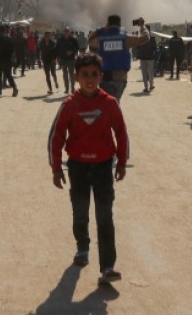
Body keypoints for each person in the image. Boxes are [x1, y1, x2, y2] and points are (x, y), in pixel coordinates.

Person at [48, 53, 128, 285]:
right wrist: (56, 168)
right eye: (85, 75)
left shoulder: (109, 103)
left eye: (94, 74)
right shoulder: (69, 105)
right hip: (78, 168)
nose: (90, 79)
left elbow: (121, 133)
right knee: (80, 212)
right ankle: (82, 248)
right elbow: (56, 137)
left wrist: (121, 162)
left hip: (103, 168)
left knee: (105, 216)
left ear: (101, 76)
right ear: (76, 78)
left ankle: (108, 267)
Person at [88, 15, 149, 101]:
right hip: (121, 77)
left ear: (108, 24)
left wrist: (100, 30)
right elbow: (146, 38)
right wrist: (142, 26)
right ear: (120, 24)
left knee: (108, 104)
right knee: (114, 103)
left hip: (105, 77)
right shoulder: (125, 38)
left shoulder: (101, 39)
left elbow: (90, 40)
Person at [0, 24, 19, 97]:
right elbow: (13, 50)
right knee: (8, 75)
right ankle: (14, 88)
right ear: (5, 31)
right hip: (8, 59)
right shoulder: (9, 39)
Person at [57, 27, 80, 93]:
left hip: (71, 59)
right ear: (63, 32)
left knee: (71, 74)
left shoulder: (73, 40)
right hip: (63, 59)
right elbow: (57, 49)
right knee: (65, 75)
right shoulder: (60, 40)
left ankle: (72, 88)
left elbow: (77, 48)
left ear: (69, 32)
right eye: (65, 31)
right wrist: (58, 58)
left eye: (67, 31)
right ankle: (66, 89)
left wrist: (72, 51)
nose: (66, 32)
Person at [136, 24, 157, 93]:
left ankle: (146, 87)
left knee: (144, 73)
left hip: (143, 57)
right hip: (150, 57)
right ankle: (151, 85)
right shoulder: (152, 38)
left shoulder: (140, 38)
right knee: (151, 72)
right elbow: (155, 48)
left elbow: (137, 47)